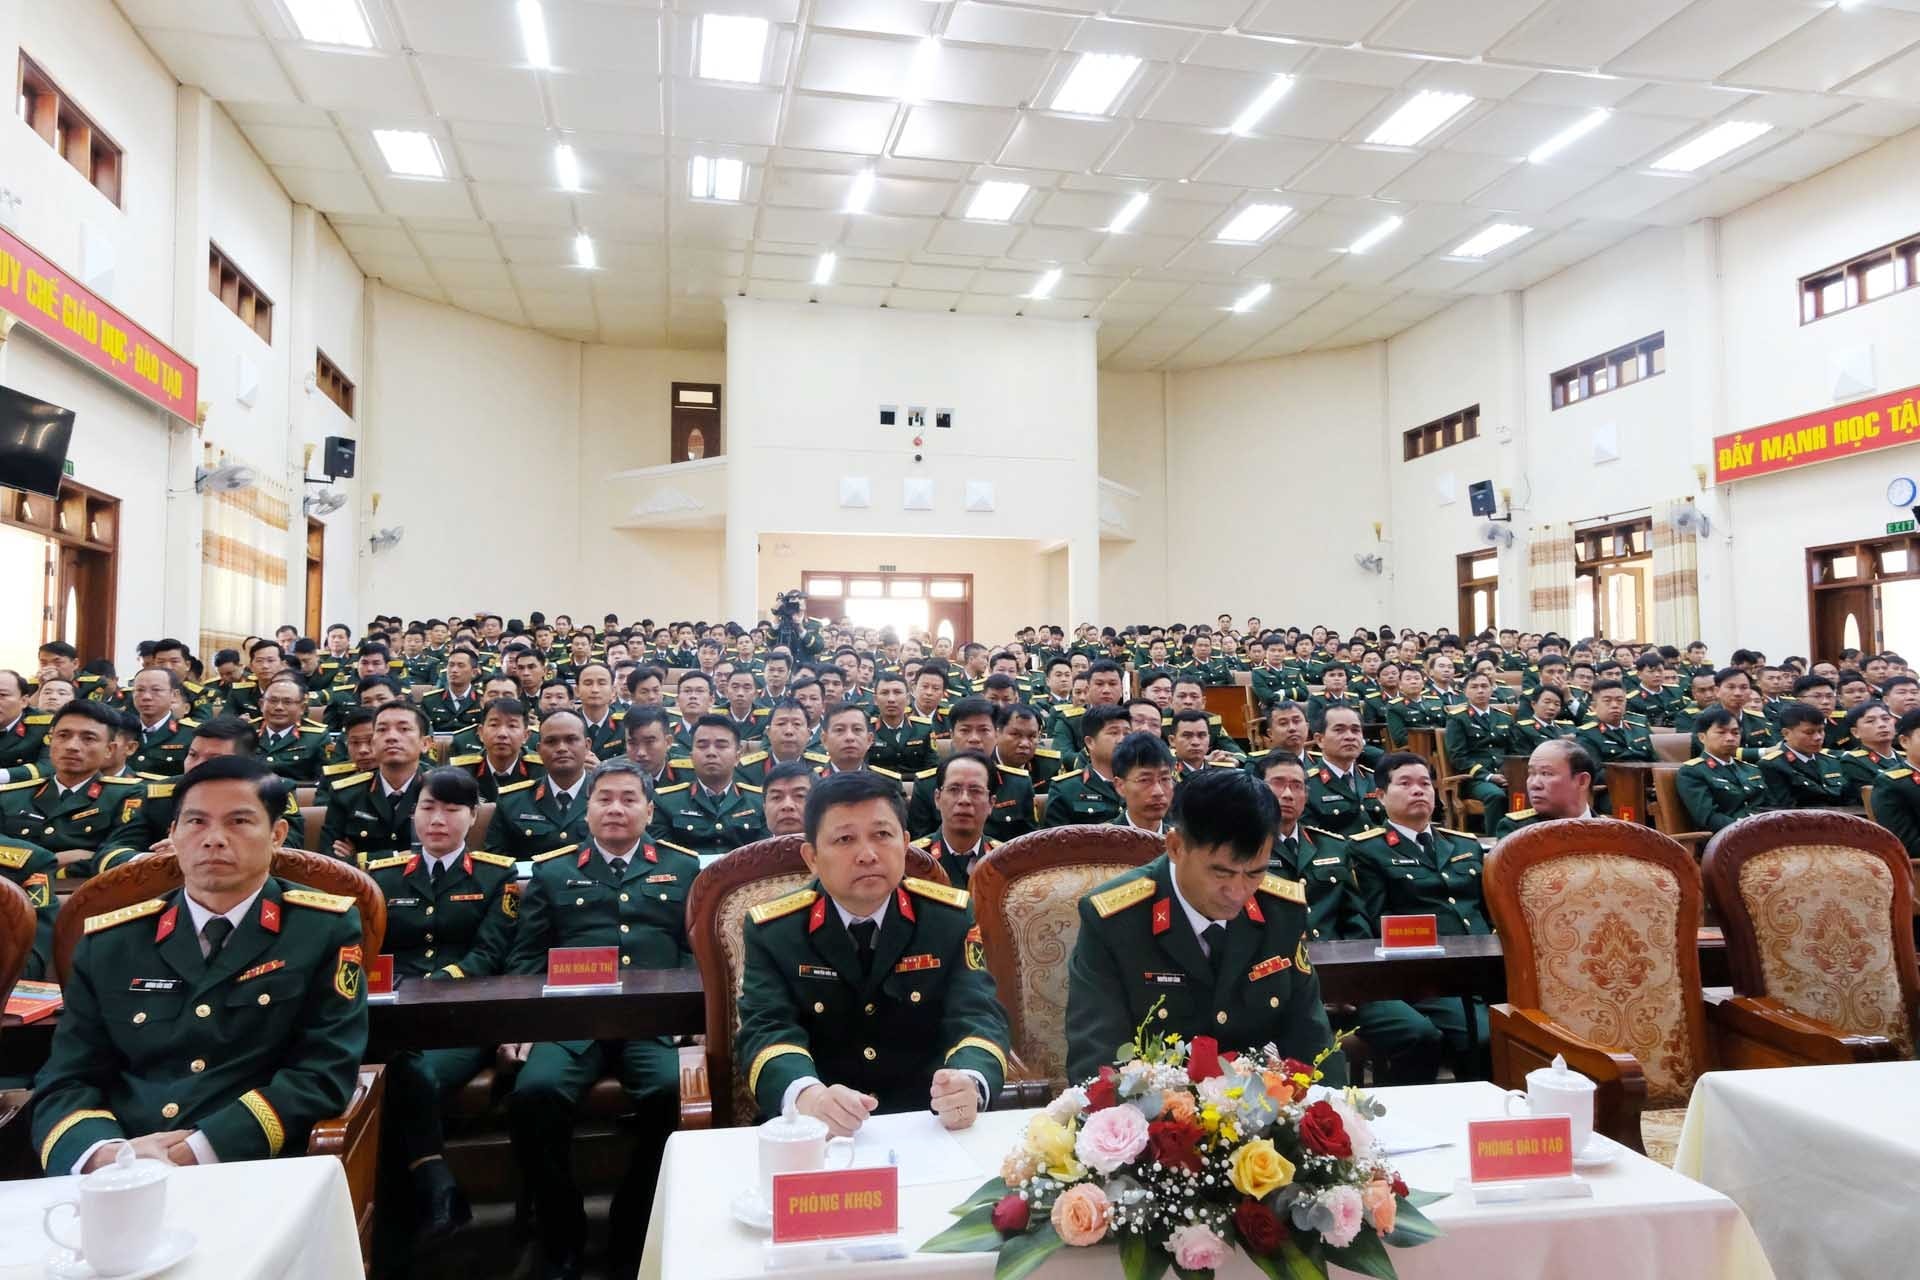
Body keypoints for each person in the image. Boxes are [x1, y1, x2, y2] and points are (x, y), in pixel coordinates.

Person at [30, 755, 367, 1174]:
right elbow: (67, 1078)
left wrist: (197, 1150)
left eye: (239, 822)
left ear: (278, 834)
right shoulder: (110, 941)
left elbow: (323, 1071)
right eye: (196, 822)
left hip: (252, 1165)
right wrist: (107, 1155)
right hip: (122, 1168)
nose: (214, 839)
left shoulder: (321, 929)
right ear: (172, 834)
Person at [504, 759, 698, 1279]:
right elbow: (527, 957)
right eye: (604, 798)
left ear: (649, 810)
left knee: (673, 1094)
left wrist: (688, 1013)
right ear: (586, 810)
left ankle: (634, 1222)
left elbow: (694, 952)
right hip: (570, 1022)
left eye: (629, 799)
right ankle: (561, 1233)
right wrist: (524, 1025)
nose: (616, 808)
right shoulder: (552, 871)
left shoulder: (683, 868)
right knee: (534, 1094)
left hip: (653, 1022)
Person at [737, 769, 1011, 1136]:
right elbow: (767, 1029)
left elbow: (978, 1015)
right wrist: (808, 1097)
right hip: (816, 1131)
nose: (867, 855)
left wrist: (969, 1080)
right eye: (845, 839)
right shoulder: (775, 930)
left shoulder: (948, 918)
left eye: (882, 835)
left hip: (927, 1125)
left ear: (905, 843)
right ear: (812, 857)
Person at [1063, 768, 1343, 1084]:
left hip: (1256, 1104)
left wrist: (1332, 1107)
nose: (1237, 892)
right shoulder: (1116, 920)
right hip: (1154, 1106)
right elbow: (1098, 1060)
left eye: (1254, 873)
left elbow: (1312, 1040)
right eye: (1221, 873)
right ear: (1175, 847)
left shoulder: (1280, 911)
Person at [368, 768, 521, 1247]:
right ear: (413, 814)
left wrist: (432, 986)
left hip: (460, 1017)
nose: (438, 819)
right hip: (393, 1016)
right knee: (394, 1069)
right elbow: (369, 951)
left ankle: (402, 1216)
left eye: (452, 809)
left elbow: (489, 953)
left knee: (412, 1077)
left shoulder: (497, 874)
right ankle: (432, 1187)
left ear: (473, 817)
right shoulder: (379, 875)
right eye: (428, 808)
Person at [1348, 753, 1490, 1084]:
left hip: (1486, 969)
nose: (1418, 790)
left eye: (1425, 783)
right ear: (1381, 796)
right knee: (1482, 1038)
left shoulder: (1463, 844)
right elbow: (1375, 921)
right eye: (1405, 783)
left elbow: (1487, 912)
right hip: (1427, 977)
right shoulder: (1368, 851)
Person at [0, 701, 144, 878]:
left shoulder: (128, 796)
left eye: (88, 738)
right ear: (50, 741)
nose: (72, 746)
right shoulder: (11, 795)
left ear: (109, 749)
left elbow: (119, 855)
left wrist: (21, 862)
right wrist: (51, 860)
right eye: (63, 735)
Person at [1254, 752, 1360, 945]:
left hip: (1333, 955)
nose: (1288, 794)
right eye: (1278, 783)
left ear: (1306, 796)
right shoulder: (1243, 848)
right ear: (1256, 790)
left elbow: (1355, 918)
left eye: (1297, 786)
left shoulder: (1333, 846)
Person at [906, 697, 1034, 842]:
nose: (974, 738)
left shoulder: (1019, 784)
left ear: (996, 734)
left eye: (983, 730)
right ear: (952, 735)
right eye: (965, 730)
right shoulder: (927, 785)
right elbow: (919, 846)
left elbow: (1029, 844)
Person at [320, 703, 428, 862]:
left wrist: (359, 858)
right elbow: (330, 860)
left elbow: (449, 856)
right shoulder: (346, 794)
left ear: (425, 743)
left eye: (404, 729)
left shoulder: (443, 791)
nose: (391, 737)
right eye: (382, 730)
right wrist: (400, 856)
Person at [650, 716, 766, 860]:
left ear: (738, 756)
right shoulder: (666, 802)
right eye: (702, 746)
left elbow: (765, 855)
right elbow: (662, 857)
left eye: (721, 746)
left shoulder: (759, 802)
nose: (711, 752)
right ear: (691, 756)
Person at [909, 751, 1001, 888]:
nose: (964, 800)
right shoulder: (911, 860)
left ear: (991, 803)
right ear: (937, 798)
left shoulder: (1004, 861)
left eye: (975, 791)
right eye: (953, 789)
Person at [1441, 671, 1514, 834]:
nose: (1480, 690)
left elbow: (1512, 751)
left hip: (1504, 775)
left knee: (1527, 791)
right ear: (1465, 692)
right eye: (1474, 687)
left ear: (1492, 689)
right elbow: (1458, 757)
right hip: (1475, 779)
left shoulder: (1504, 717)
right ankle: (1496, 841)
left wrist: (1510, 774)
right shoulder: (1458, 718)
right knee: (1495, 795)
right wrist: (1489, 776)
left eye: (1484, 686)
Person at [1676, 707, 1766, 833]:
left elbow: (1766, 806)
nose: (1730, 738)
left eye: (1735, 733)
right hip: (1726, 837)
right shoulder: (1692, 772)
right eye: (1721, 732)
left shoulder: (1751, 769)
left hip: (1762, 831)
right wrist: (1747, 828)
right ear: (1702, 737)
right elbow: (1708, 818)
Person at [1042, 702, 1129, 826]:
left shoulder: (1142, 783)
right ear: (1090, 742)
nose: (1122, 740)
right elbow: (1057, 837)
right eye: (1114, 733)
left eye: (1127, 734)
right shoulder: (1066, 789)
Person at [1303, 705, 1383, 835]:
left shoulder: (1374, 779)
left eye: (1355, 730)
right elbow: (1310, 837)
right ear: (1320, 740)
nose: (1350, 737)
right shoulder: (1306, 784)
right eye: (1339, 730)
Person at [1493, 739, 1601, 836]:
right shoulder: (1518, 830)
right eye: (1531, 773)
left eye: (1546, 773)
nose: (1534, 784)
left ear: (1582, 781)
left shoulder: (1607, 830)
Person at [1757, 703, 1850, 808]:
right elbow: (1784, 809)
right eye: (1809, 732)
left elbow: (1848, 799)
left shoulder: (1831, 760)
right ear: (1786, 733)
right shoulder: (1772, 765)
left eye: (1820, 731)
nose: (1818, 737)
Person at [1110, 730, 1175, 834]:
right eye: (1145, 780)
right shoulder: (1101, 839)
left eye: (1165, 779)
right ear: (1120, 786)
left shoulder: (1183, 841)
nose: (1158, 792)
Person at [760, 761, 814, 837]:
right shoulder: (752, 845)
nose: (787, 805)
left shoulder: (829, 845)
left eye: (799, 795)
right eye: (776, 797)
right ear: (765, 808)